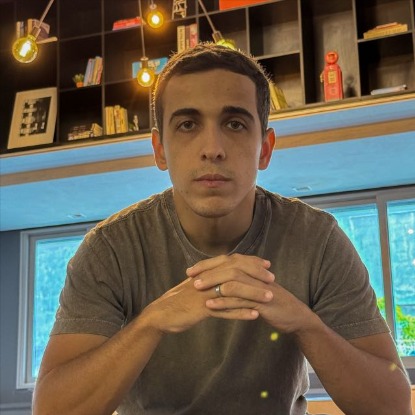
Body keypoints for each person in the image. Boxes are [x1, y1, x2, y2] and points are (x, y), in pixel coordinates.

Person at [33, 43, 411, 415]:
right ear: (160, 149)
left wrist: (304, 323)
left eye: (234, 124)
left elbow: (393, 405)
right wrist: (151, 323)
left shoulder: (317, 239)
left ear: (265, 148)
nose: (212, 148)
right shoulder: (109, 249)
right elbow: (51, 410)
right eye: (187, 124)